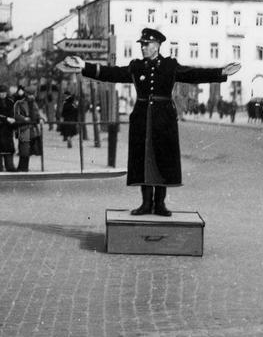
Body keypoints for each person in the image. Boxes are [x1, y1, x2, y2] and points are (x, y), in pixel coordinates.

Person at [62, 28, 241, 217]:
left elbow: (193, 74)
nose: (143, 48)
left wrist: (221, 72)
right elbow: (112, 73)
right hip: (141, 118)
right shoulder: (136, 66)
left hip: (164, 119)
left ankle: (160, 204)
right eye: (142, 45)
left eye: (146, 45)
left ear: (157, 46)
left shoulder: (170, 66)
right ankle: (146, 204)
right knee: (143, 159)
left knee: (163, 158)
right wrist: (84, 66)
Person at [13, 84, 41, 172]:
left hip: (33, 129)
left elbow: (37, 114)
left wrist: (40, 119)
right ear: (26, 94)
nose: (31, 96)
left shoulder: (34, 104)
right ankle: (22, 167)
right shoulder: (20, 103)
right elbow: (16, 114)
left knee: (29, 149)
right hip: (24, 128)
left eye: (33, 94)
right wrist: (24, 118)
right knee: (24, 149)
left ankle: (24, 167)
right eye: (30, 94)